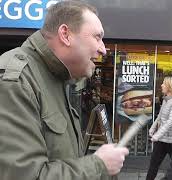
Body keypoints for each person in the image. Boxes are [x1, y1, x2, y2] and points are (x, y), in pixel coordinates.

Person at [0, 1, 128, 180]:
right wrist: (99, 165)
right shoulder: (17, 81)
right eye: (97, 37)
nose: (103, 49)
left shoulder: (57, 77)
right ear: (65, 34)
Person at [147, 76, 172, 180]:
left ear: (170, 86)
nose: (161, 85)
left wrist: (156, 135)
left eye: (164, 83)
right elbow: (159, 116)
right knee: (153, 165)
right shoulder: (166, 100)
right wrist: (152, 128)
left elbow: (171, 122)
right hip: (161, 139)